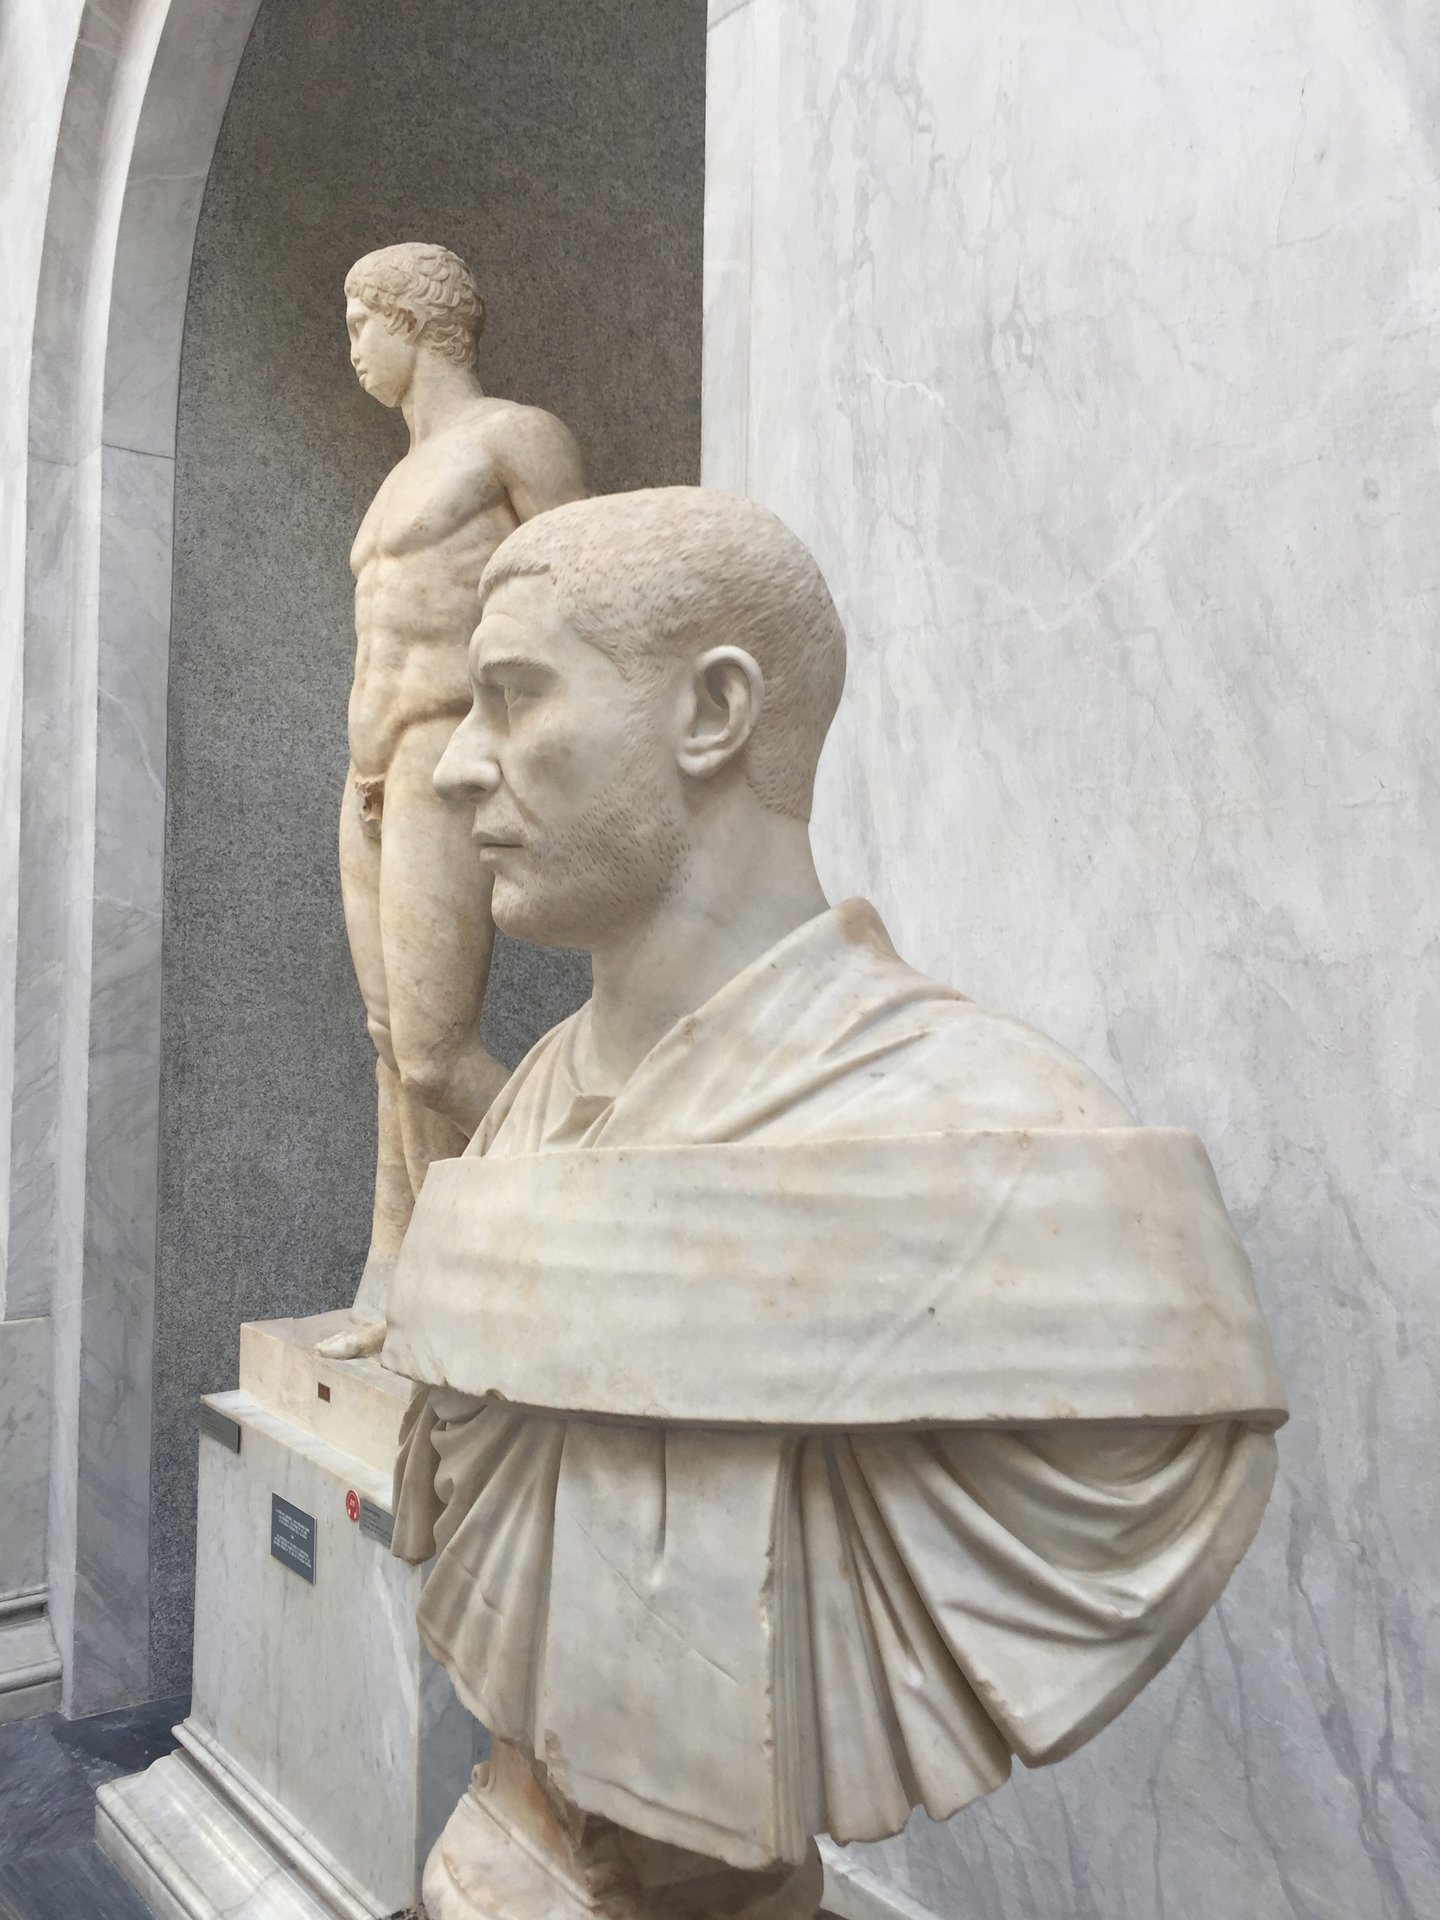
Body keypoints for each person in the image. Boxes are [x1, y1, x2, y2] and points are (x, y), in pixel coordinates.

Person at [381, 489, 1286, 1919]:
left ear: (714, 712)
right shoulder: (520, 1118)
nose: (454, 768)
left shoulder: (1012, 1153)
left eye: (514, 697)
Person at [322, 242, 587, 1362]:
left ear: (415, 323)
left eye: (360, 323)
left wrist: (526, 747)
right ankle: (399, 1287)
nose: (351, 349)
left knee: (436, 1053)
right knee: (392, 1048)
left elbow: (584, 603)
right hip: (370, 772)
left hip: (448, 749)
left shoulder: (514, 437)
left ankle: (600, 1200)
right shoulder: (400, 474)